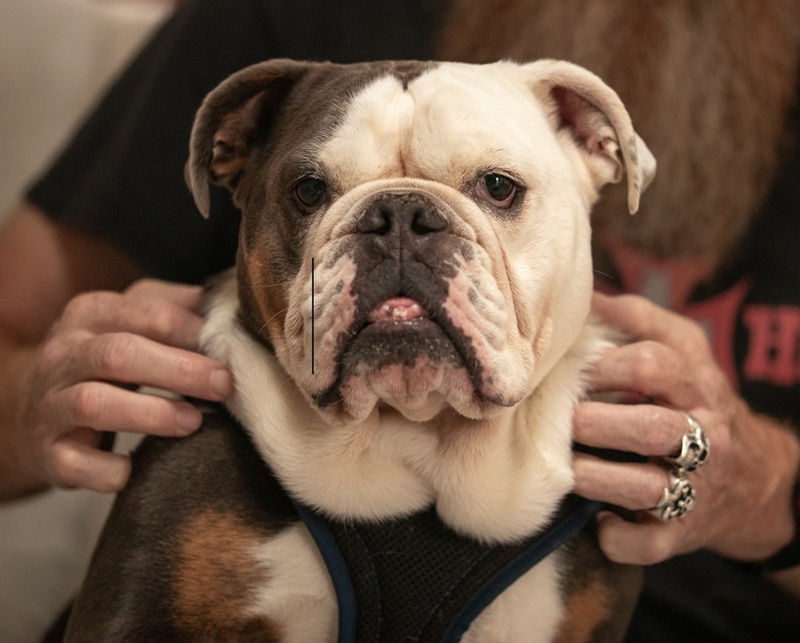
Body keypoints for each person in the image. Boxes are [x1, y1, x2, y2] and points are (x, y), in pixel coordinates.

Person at [0, 0, 797, 640]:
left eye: (497, 188)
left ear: (599, 151)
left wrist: (769, 492)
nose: (403, 242)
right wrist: (23, 400)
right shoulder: (280, 21)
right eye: (314, 193)